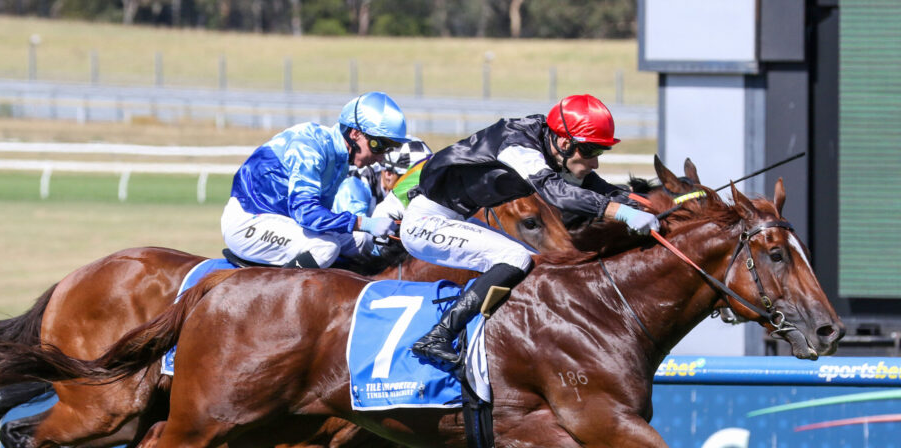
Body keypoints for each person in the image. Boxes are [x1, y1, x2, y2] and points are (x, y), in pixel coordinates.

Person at [401, 93, 659, 371]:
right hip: (426, 223)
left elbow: (588, 180)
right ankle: (439, 336)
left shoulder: (550, 141)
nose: (594, 162)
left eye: (599, 152)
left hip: (452, 217)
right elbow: (557, 193)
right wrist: (620, 212)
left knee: (533, 259)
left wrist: (635, 200)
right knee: (514, 258)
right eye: (591, 152)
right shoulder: (520, 148)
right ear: (564, 142)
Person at [221, 91, 408, 268]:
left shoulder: (340, 159)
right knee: (325, 249)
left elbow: (320, 216)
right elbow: (306, 214)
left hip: (283, 221)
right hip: (248, 222)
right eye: (378, 145)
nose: (381, 157)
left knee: (362, 241)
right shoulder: (310, 148)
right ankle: (277, 296)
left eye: (388, 149)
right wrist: (364, 223)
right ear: (355, 134)